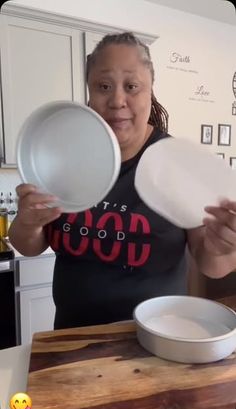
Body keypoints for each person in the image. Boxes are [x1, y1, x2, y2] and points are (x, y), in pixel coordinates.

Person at [9, 32, 236, 329]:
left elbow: (212, 264)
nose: (117, 100)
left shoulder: (176, 165)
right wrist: (28, 222)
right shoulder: (60, 154)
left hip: (154, 342)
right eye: (104, 86)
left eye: (132, 86)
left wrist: (225, 246)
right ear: (89, 91)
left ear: (150, 90)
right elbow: (28, 246)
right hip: (72, 338)